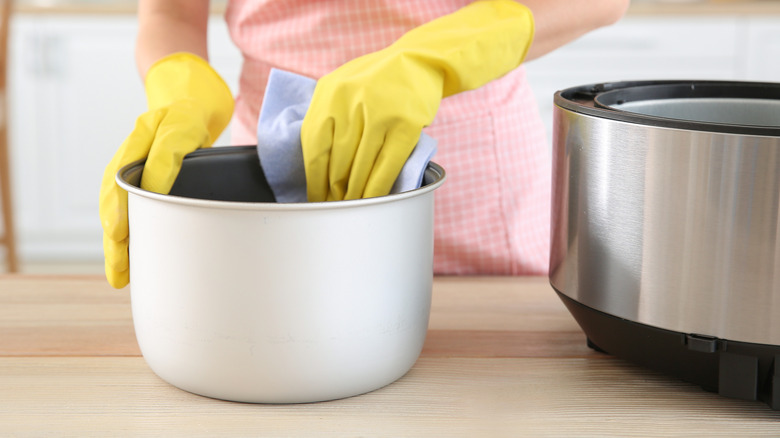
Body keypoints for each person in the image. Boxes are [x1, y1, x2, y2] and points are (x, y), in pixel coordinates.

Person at [100, 0, 630, 289]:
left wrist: (436, 55)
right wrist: (181, 86)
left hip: (471, 179)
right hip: (273, 169)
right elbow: (169, 12)